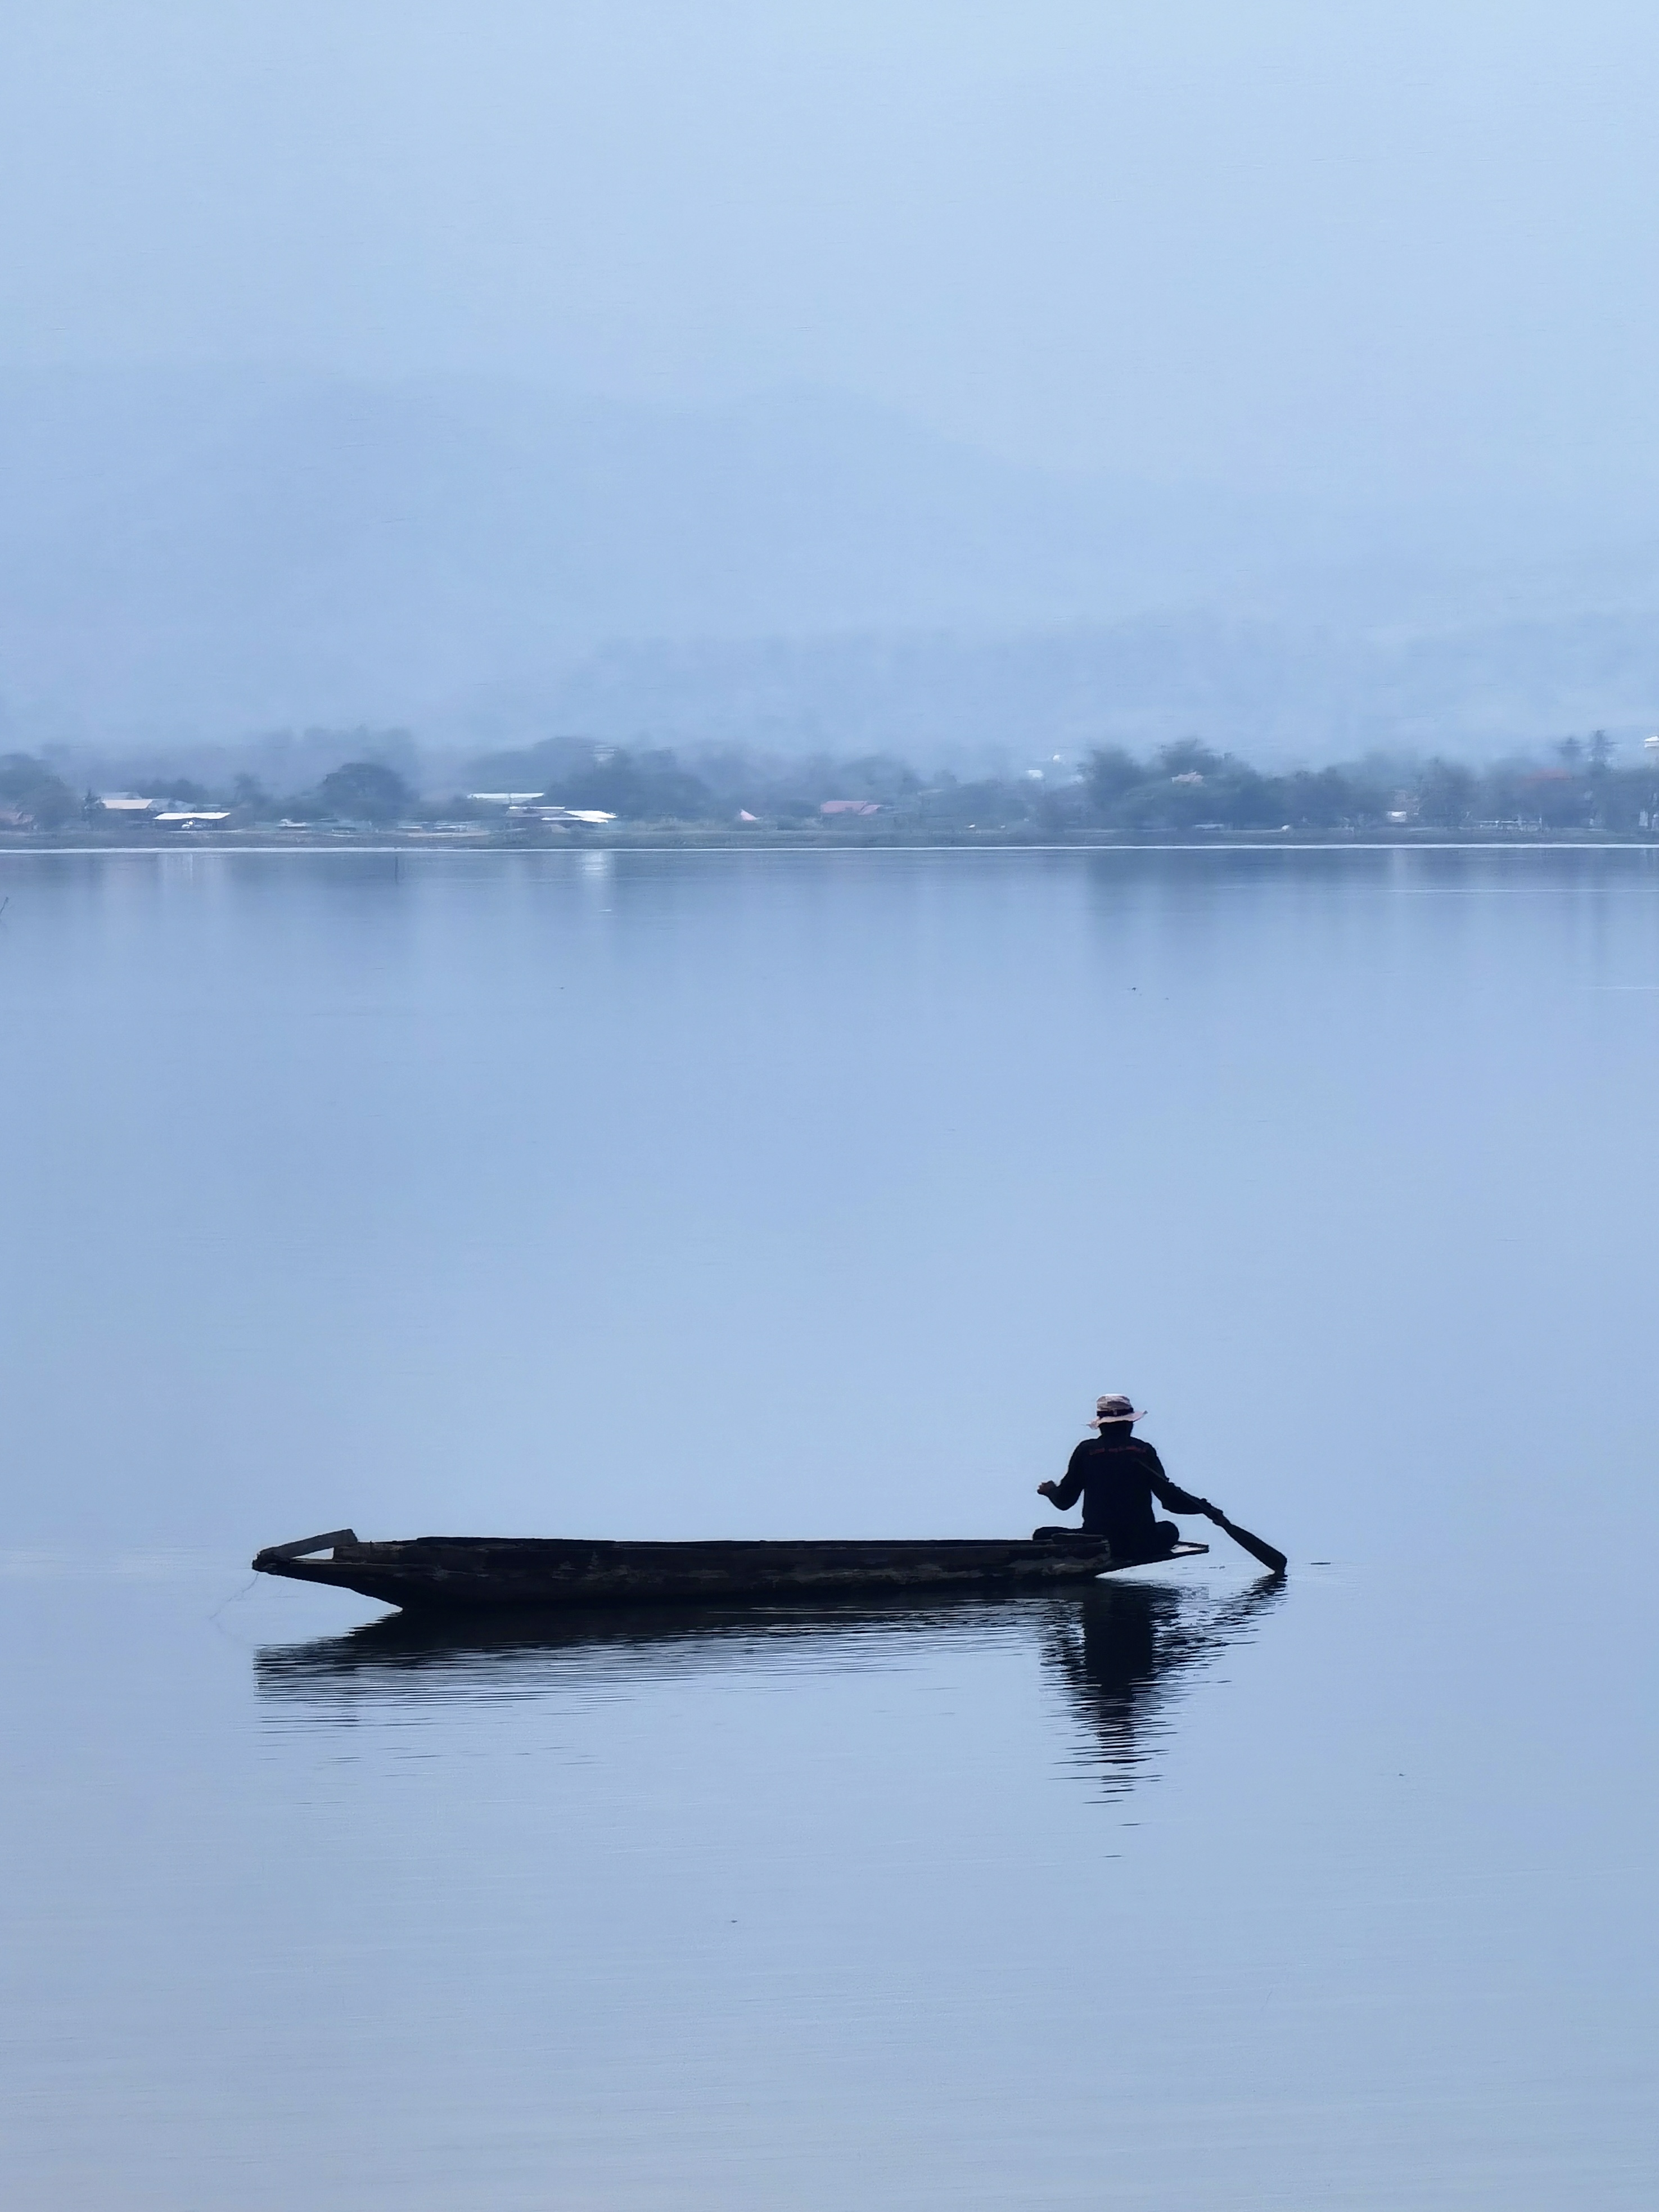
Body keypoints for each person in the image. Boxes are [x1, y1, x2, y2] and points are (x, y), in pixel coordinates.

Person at [1036, 1393, 1221, 1561]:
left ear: (1101, 1425)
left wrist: (1050, 1490)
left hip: (1098, 1543)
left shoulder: (1086, 1452)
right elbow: (1171, 1500)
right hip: (1141, 1544)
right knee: (1170, 1530)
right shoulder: (1143, 1451)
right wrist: (1205, 1508)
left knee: (1041, 1535)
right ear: (1129, 1423)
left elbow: (1064, 1501)